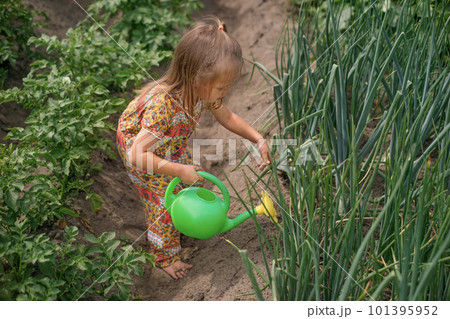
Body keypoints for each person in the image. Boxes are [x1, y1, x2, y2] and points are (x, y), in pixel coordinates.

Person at [116, 16, 271, 280]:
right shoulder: (162, 109)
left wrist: (257, 138)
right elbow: (136, 154)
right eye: (222, 87)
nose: (225, 93)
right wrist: (176, 168)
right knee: (162, 202)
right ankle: (165, 256)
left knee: (186, 180)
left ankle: (185, 216)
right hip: (140, 150)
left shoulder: (202, 92)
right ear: (195, 77)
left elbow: (228, 117)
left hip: (169, 144)